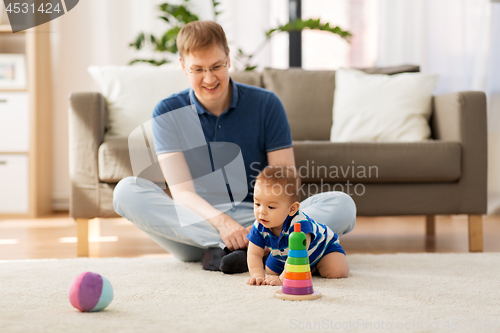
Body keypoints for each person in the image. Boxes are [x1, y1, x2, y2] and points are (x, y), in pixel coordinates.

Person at [113, 20, 356, 273]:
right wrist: (223, 224)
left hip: (264, 221)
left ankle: (236, 251)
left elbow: (284, 183)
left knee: (342, 204)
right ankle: (256, 251)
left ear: (228, 58)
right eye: (198, 69)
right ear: (183, 66)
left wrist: (259, 229)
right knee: (126, 191)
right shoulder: (167, 112)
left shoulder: (266, 105)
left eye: (216, 66)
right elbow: (182, 193)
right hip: (196, 226)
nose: (209, 78)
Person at [247, 165, 349, 286]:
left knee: (337, 271)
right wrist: (257, 275)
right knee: (270, 270)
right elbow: (254, 253)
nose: (261, 212)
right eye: (257, 203)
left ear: (292, 209)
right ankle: (297, 268)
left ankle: (314, 267)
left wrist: (282, 279)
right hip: (284, 255)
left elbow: (298, 255)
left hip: (320, 250)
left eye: (271, 207)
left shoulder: (299, 225)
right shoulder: (259, 225)